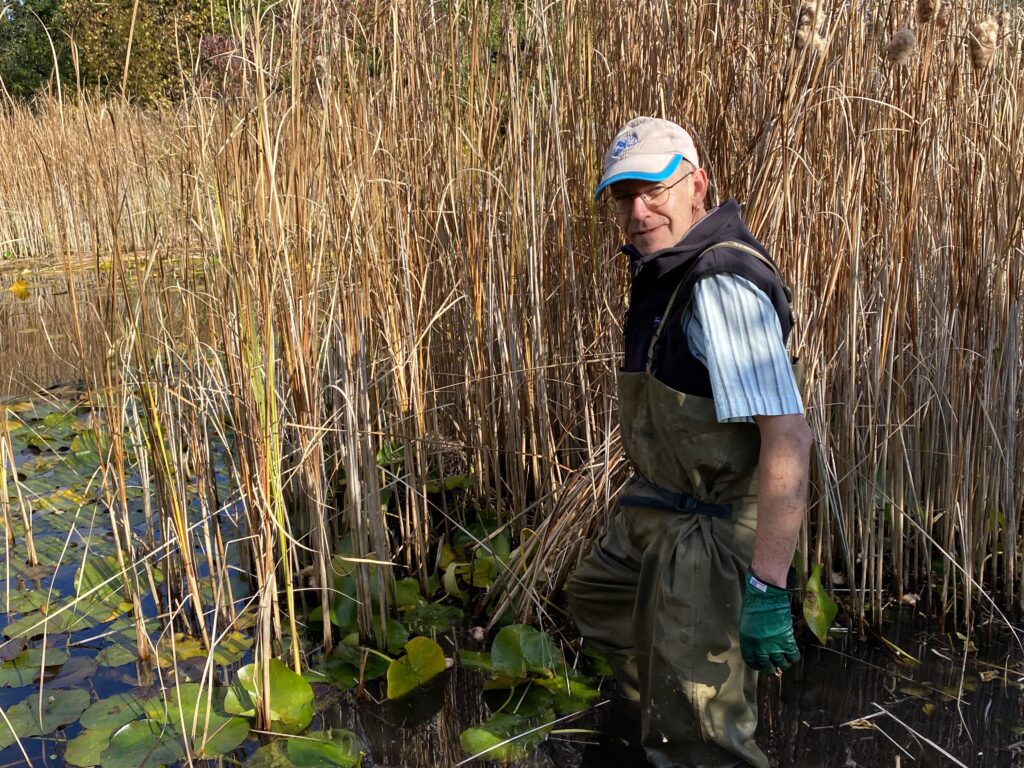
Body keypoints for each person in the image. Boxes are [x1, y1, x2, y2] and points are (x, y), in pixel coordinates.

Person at [567, 116, 813, 768]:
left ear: (696, 185)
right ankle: (645, 727)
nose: (637, 211)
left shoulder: (719, 285)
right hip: (662, 504)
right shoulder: (669, 268)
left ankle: (683, 737)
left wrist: (766, 587)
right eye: (623, 196)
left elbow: (788, 436)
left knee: (704, 733)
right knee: (600, 599)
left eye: (654, 190)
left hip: (713, 527)